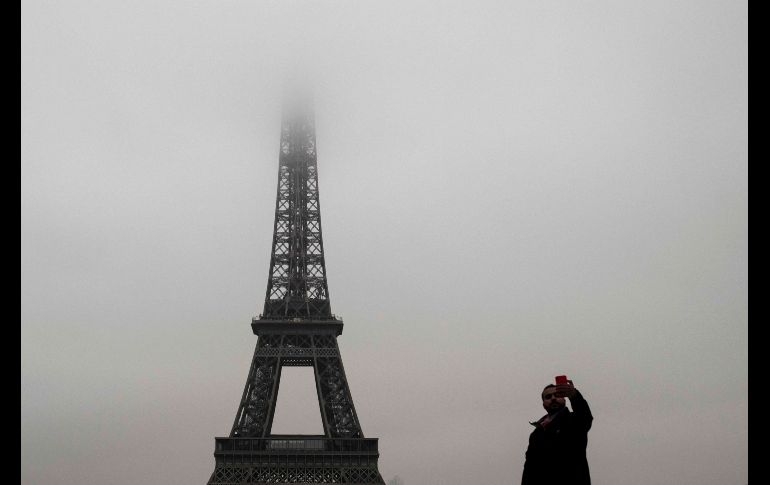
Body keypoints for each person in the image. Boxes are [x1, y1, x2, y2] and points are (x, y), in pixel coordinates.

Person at [521, 379, 593, 485]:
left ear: (564, 399)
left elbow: (585, 416)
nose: (553, 398)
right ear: (543, 404)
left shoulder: (574, 421)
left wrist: (574, 395)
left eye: (557, 395)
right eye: (548, 397)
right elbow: (529, 468)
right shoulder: (536, 434)